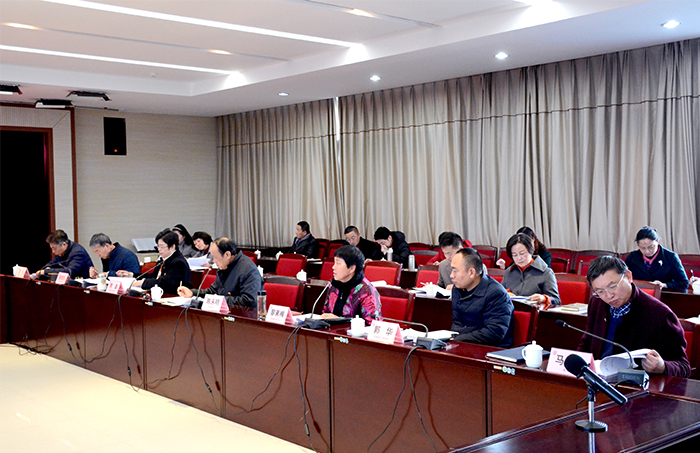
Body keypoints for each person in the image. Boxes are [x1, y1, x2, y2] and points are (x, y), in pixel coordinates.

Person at [577, 256, 690, 378]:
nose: (608, 296)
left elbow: (683, 367)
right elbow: (587, 343)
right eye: (600, 291)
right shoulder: (597, 303)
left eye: (612, 286)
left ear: (628, 276)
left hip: (635, 385)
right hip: (597, 380)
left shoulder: (660, 314)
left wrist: (663, 367)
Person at [450, 248, 514, 347]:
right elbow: (457, 324)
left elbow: (494, 333)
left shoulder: (496, 294)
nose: (451, 275)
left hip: (490, 349)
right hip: (463, 343)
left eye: (455, 271)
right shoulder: (458, 289)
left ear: (471, 272)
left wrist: (457, 340)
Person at [177, 237, 262, 309]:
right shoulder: (224, 266)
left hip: (242, 317)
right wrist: (192, 293)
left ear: (227, 255)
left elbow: (249, 301)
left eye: (215, 257)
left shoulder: (248, 270)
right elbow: (213, 291)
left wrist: (219, 300)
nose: (213, 261)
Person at [321, 245, 381, 324]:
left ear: (352, 268)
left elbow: (373, 324)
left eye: (338, 263)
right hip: (332, 331)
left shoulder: (366, 291)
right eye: (334, 263)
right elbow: (326, 313)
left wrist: (340, 320)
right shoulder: (334, 285)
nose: (333, 267)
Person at [499, 233, 560, 309]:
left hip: (534, 313)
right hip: (510, 312)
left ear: (531, 251)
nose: (519, 258)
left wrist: (544, 298)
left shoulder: (546, 272)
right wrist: (506, 293)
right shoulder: (509, 271)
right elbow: (499, 293)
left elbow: (557, 301)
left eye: (522, 254)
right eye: (514, 255)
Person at [624, 226, 689, 292]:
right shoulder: (632, 257)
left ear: (657, 241)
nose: (647, 251)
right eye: (643, 248)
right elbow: (623, 278)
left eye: (651, 247)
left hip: (664, 295)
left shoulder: (670, 257)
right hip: (639, 294)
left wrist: (664, 285)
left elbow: (684, 283)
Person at [126, 229, 191, 294]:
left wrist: (143, 283)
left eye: (161, 247)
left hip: (173, 296)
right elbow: (154, 277)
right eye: (158, 246)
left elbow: (166, 283)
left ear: (172, 247)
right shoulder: (163, 259)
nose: (159, 249)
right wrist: (132, 275)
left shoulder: (178, 263)